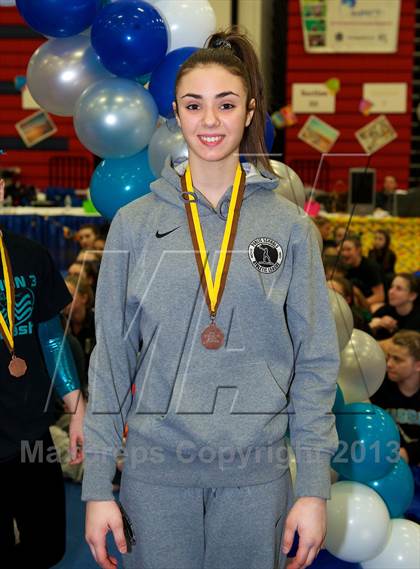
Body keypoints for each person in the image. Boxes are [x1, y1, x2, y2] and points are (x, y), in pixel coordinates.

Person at [82, 27, 340, 569]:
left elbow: (316, 362)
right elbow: (110, 361)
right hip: (154, 478)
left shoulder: (289, 227)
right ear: (175, 112)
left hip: (256, 479)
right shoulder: (135, 224)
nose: (210, 120)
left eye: (226, 104)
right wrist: (97, 485)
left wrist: (313, 487)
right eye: (194, 105)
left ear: (249, 112)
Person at [0, 217, 85, 567]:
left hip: (31, 432)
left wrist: (77, 409)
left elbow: (51, 338)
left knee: (49, 546)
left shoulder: (30, 255)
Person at [370, 330, 419, 466]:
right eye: (388, 357)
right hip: (385, 462)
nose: (389, 364)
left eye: (397, 359)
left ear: (418, 365)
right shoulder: (378, 388)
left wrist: (410, 453)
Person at [369, 273, 420, 340]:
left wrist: (395, 331)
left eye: (398, 289)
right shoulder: (384, 311)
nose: (391, 292)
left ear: (412, 296)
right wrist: (377, 324)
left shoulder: (417, 320)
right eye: (391, 287)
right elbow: (366, 331)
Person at [341, 234, 385, 310]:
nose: (344, 253)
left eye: (348, 249)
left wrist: (359, 305)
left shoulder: (370, 267)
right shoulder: (343, 266)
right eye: (343, 250)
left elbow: (380, 296)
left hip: (369, 305)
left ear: (358, 250)